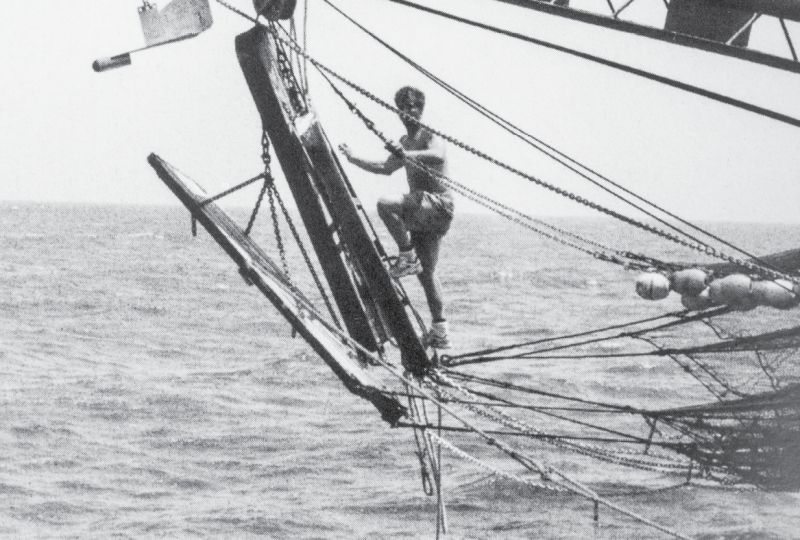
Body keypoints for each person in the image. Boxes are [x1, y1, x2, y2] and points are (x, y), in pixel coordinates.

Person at [339, 86, 454, 349]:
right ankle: (441, 331)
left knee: (385, 205)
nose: (408, 111)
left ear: (420, 109)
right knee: (427, 275)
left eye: (412, 106)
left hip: (437, 205)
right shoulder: (404, 142)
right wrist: (353, 158)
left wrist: (406, 155)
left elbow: (438, 154)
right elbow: (385, 168)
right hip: (423, 211)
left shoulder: (428, 135)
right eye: (403, 107)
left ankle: (406, 256)